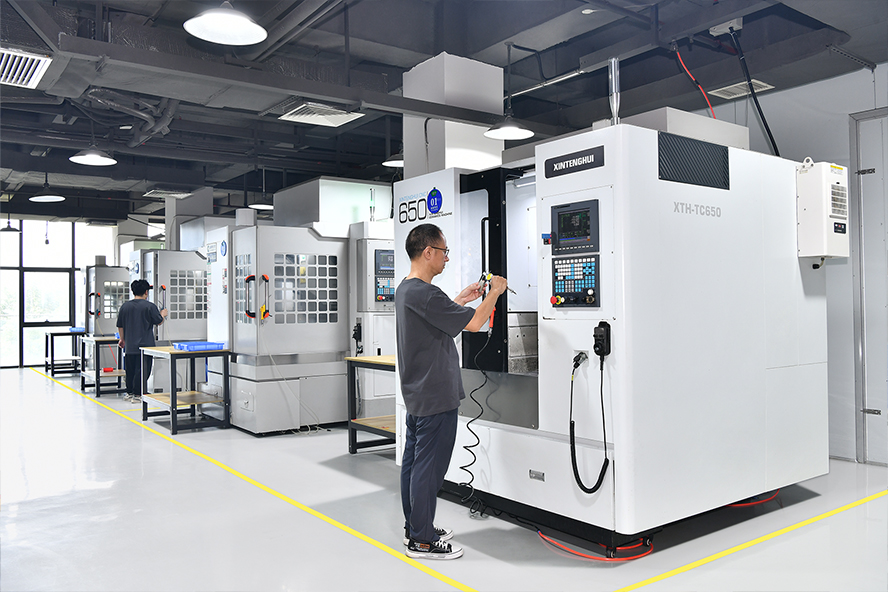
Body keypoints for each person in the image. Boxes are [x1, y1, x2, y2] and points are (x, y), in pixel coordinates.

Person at [396, 223, 507, 560]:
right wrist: (494, 292)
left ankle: (415, 526)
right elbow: (473, 323)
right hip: (435, 394)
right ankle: (422, 540)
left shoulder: (407, 289)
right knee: (429, 470)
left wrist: (461, 299)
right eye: (444, 252)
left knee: (414, 464)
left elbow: (437, 319)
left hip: (418, 394)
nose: (446, 258)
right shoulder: (425, 294)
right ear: (428, 252)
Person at [117, 279, 167, 403]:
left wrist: (122, 339)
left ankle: (129, 392)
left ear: (132, 291)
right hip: (145, 346)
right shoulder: (150, 306)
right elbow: (159, 321)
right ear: (146, 292)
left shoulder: (125, 306)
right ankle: (138, 394)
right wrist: (163, 314)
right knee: (143, 370)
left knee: (130, 370)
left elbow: (120, 325)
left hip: (130, 345)